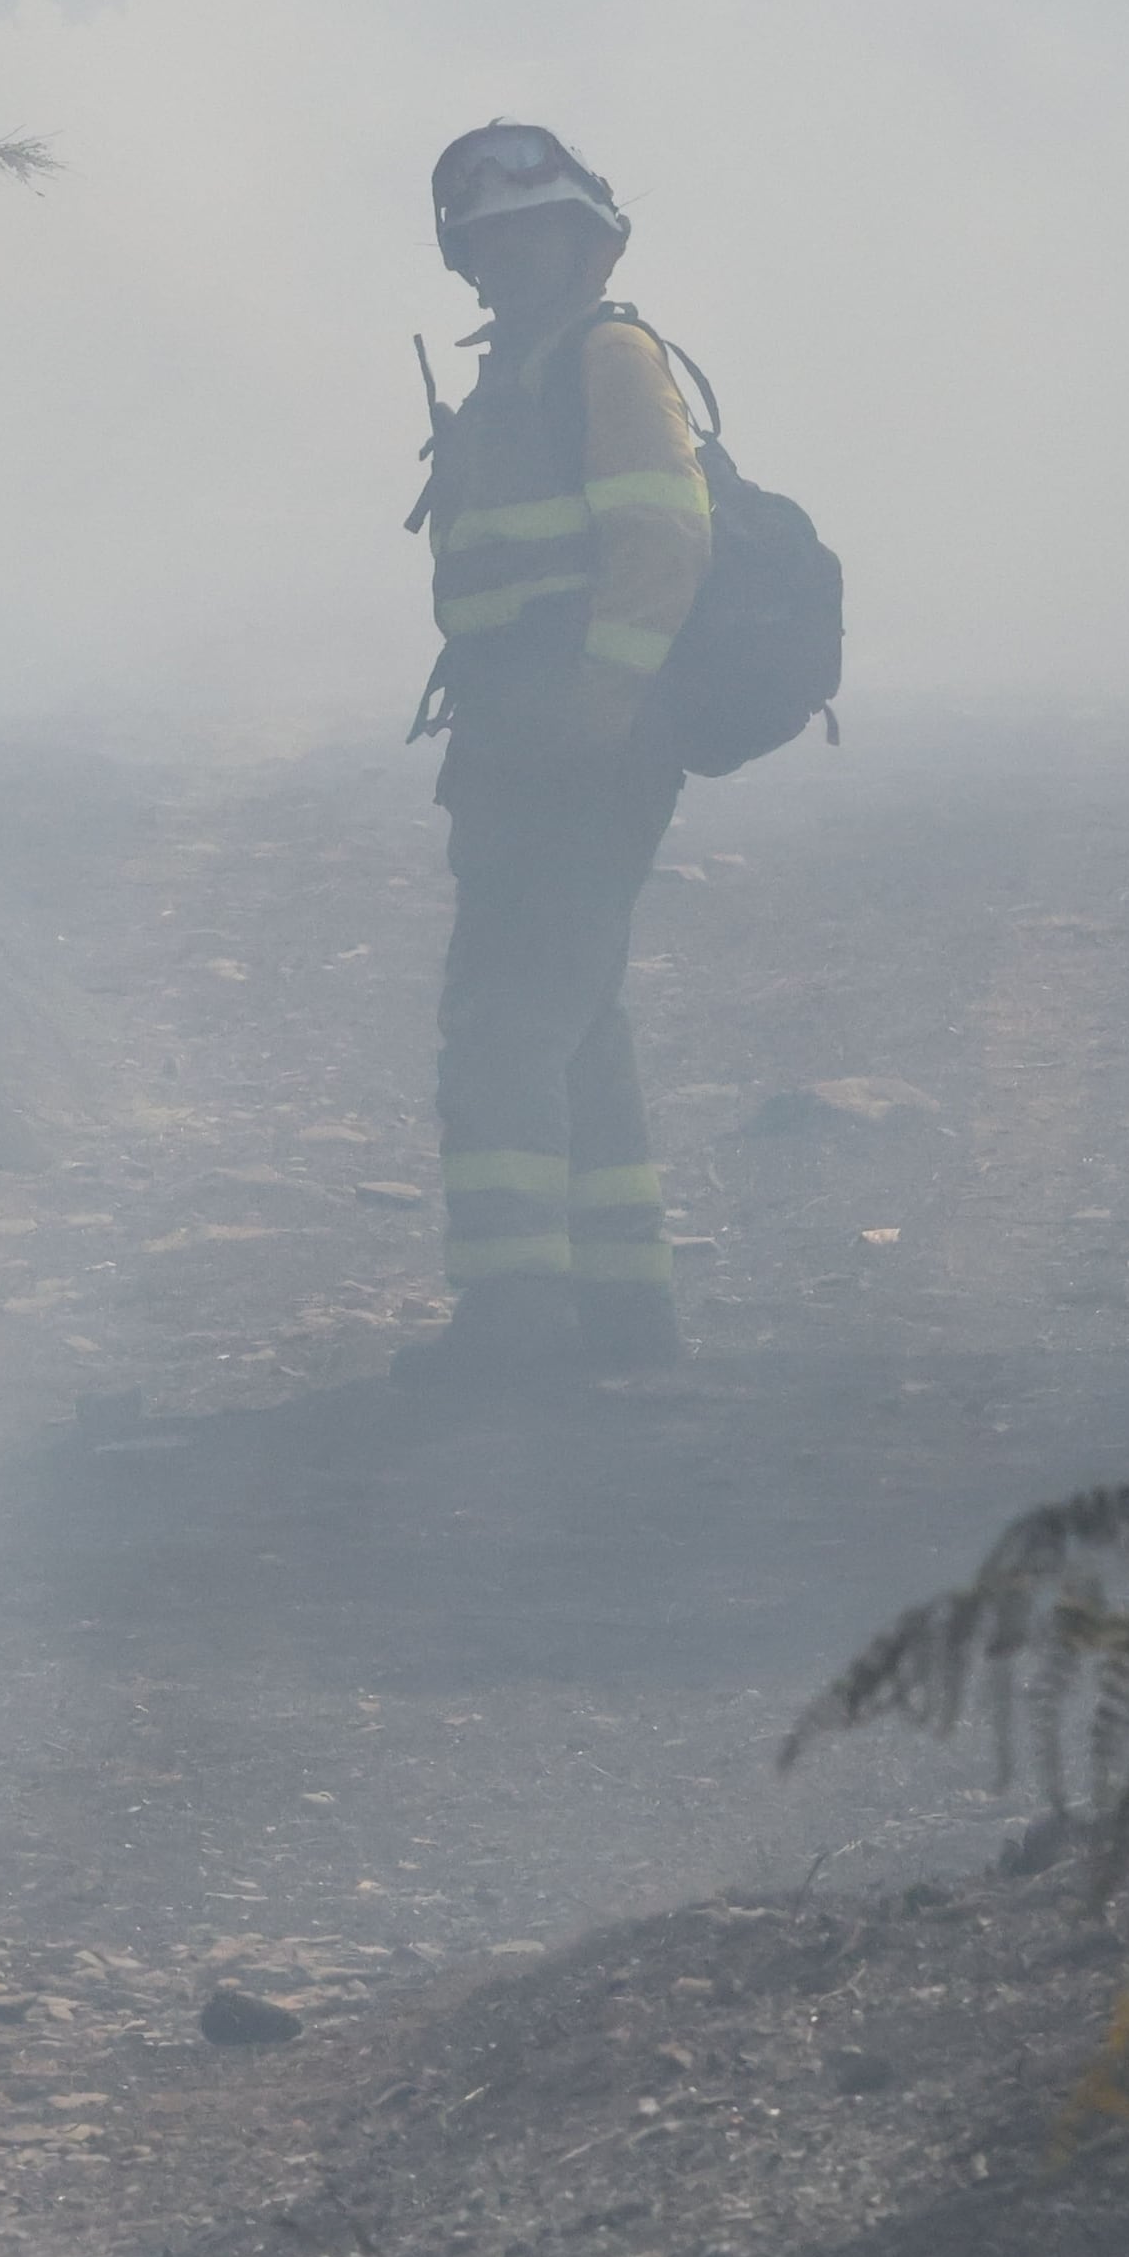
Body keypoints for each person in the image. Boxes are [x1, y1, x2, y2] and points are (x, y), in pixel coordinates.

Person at [402, 122, 713, 1384]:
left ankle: (516, 1316)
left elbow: (664, 540)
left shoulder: (607, 357)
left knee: (503, 1019)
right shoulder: (518, 369)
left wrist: (602, 704)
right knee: (575, 1013)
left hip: (584, 743)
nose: (517, 256)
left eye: (540, 231)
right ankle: (624, 1308)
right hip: (519, 740)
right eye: (493, 240)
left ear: (589, 241)